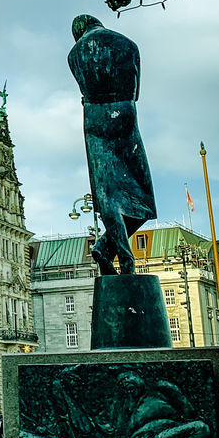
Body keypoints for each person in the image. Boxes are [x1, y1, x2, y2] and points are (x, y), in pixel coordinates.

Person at [68, 15, 156, 275]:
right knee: (143, 196)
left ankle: (112, 251)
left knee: (106, 191)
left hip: (95, 116)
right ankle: (113, 250)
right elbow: (136, 90)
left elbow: (85, 87)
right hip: (126, 110)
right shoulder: (128, 44)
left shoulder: (75, 53)